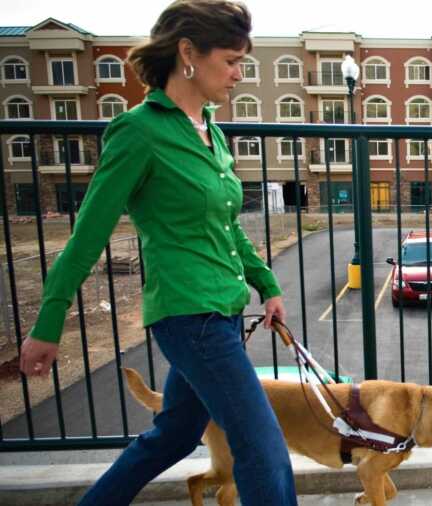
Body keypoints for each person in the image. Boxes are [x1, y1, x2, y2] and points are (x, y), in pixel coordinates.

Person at [18, 1, 298, 504]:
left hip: (224, 310)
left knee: (174, 435)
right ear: (188, 52)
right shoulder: (139, 131)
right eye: (231, 60)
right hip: (191, 315)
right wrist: (48, 323)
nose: (238, 74)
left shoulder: (208, 130)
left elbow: (225, 226)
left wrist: (267, 284)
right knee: (264, 450)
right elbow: (87, 234)